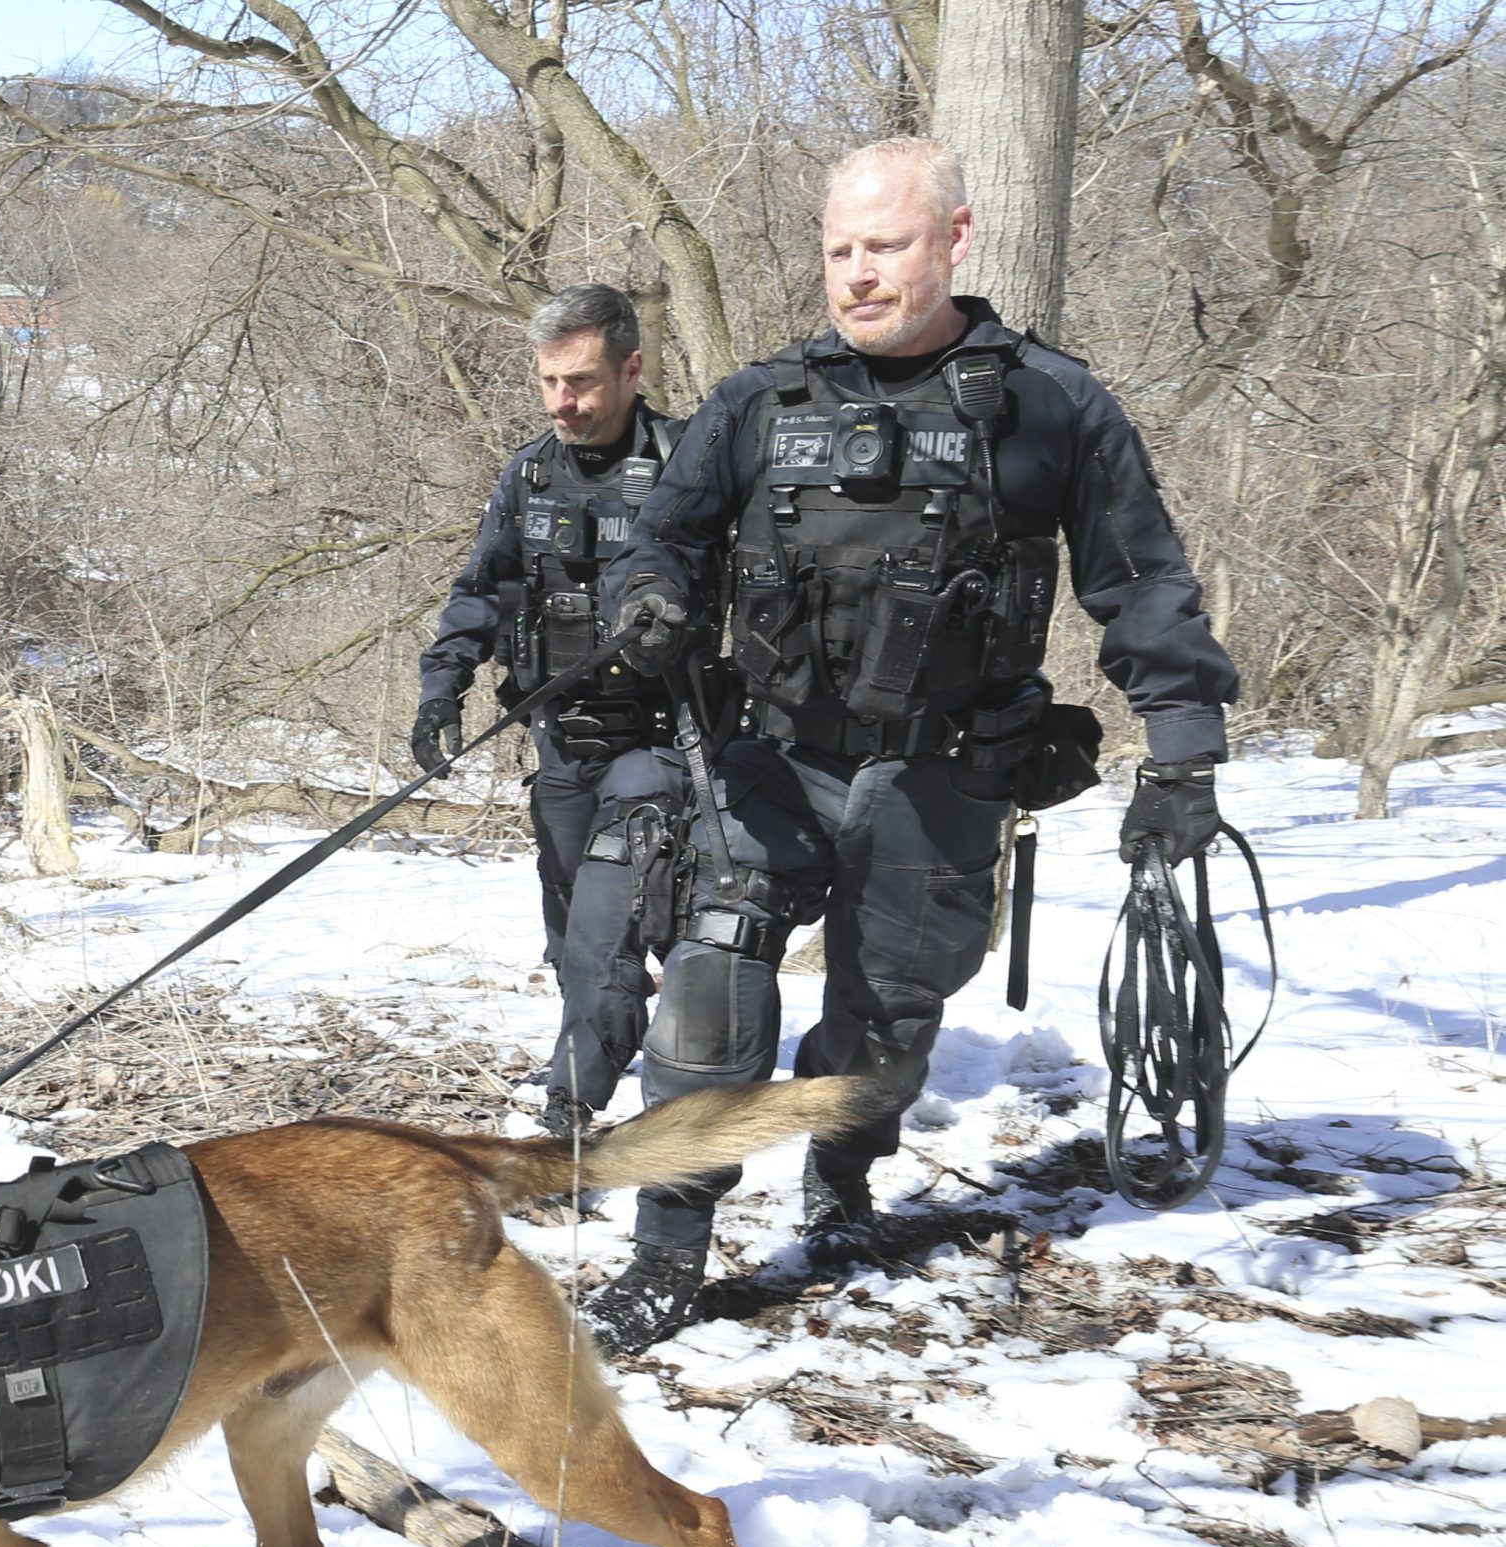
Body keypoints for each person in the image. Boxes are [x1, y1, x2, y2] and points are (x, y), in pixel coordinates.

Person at [586, 135, 1237, 1352]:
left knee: (885, 1019)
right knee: (708, 996)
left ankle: (840, 1190)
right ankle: (665, 1256)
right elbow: (659, 537)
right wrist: (650, 597)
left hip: (945, 772)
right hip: (768, 759)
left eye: (884, 246)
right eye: (838, 250)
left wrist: (1182, 746)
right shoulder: (757, 403)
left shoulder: (1050, 405)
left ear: (954, 238)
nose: (857, 275)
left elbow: (1141, 581)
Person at [413, 285, 697, 1141]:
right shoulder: (530, 473)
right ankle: (621, 1033)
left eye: (579, 382)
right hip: (560, 738)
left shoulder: (689, 469)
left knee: (607, 927)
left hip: (656, 743)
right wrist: (442, 688)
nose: (562, 403)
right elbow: (482, 591)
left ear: (632, 368)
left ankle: (569, 1113)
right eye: (548, 383)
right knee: (574, 923)